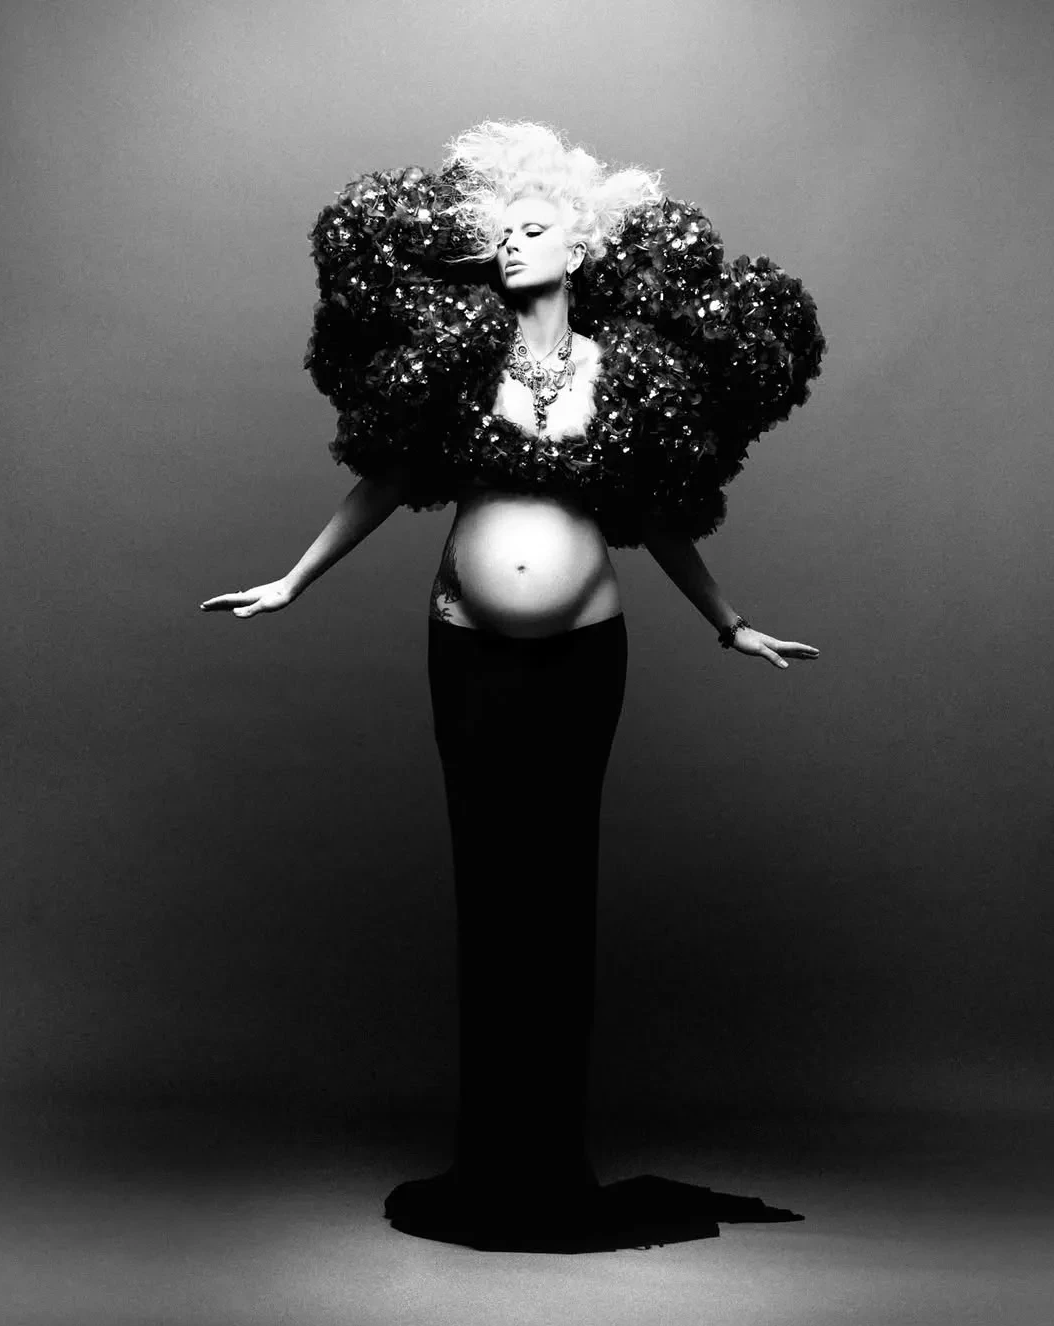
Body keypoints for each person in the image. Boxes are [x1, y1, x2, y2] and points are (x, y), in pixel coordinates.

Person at [201, 120, 824, 1246]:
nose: (512, 246)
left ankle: (551, 1163)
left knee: (560, 889)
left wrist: (729, 623)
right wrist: (291, 581)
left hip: (586, 656)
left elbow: (656, 516)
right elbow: (388, 481)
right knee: (491, 894)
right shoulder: (460, 364)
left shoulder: (625, 373)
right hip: (467, 649)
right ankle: (490, 1164)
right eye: (501, 235)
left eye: (534, 231)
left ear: (578, 249)